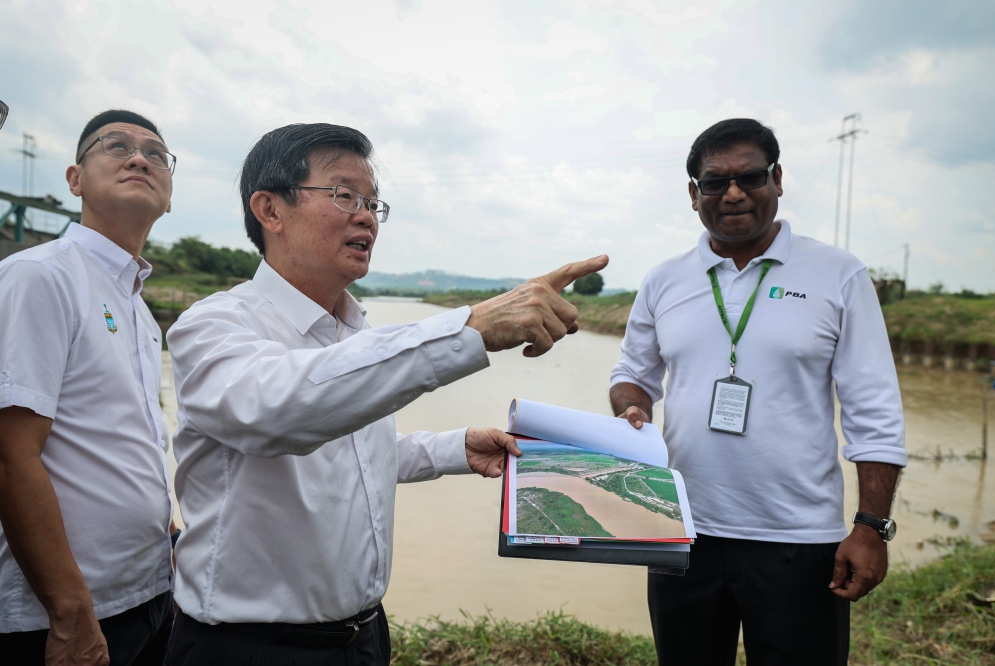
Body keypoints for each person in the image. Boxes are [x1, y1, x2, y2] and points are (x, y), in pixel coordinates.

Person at [164, 122, 607, 665]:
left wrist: (453, 448)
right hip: (250, 649)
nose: (366, 217)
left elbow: (349, 452)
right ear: (270, 210)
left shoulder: (356, 334)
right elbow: (278, 412)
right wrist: (470, 327)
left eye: (372, 202)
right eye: (344, 194)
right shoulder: (213, 326)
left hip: (365, 638)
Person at [609, 118, 906, 665]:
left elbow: (874, 410)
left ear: (778, 179)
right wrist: (631, 408)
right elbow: (633, 373)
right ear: (694, 193)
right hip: (681, 532)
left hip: (799, 540)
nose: (733, 193)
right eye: (715, 182)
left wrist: (870, 528)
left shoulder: (837, 275)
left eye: (750, 176)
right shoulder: (663, 280)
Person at [0, 110, 179, 665]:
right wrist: (70, 611)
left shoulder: (137, 305)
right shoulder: (41, 276)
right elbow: (10, 453)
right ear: (75, 180)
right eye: (116, 146)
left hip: (148, 594)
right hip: (66, 616)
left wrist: (166, 531)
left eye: (156, 154)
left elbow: (125, 438)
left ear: (169, 197)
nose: (139, 158)